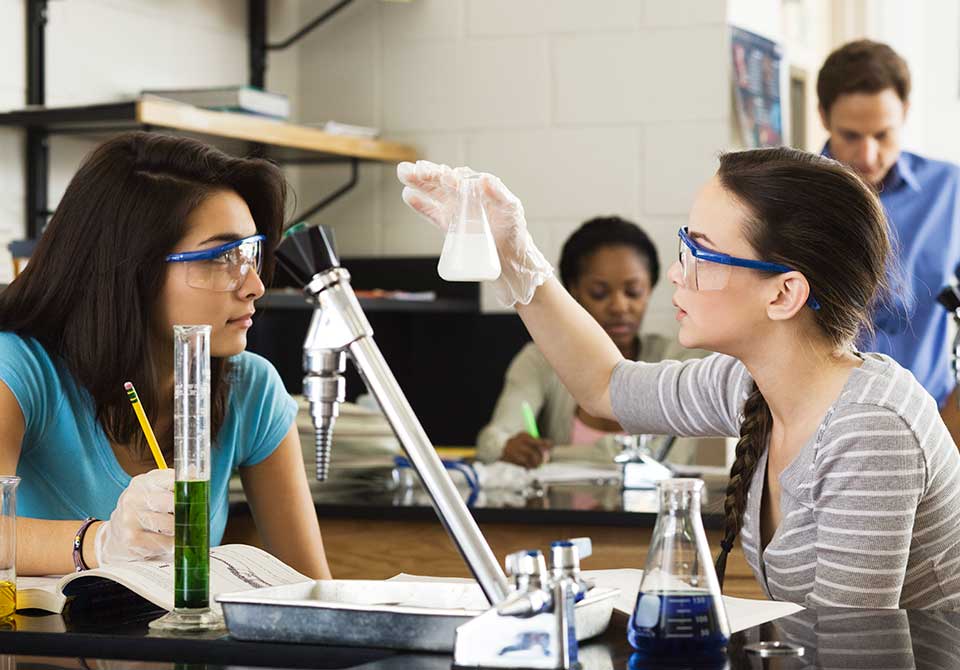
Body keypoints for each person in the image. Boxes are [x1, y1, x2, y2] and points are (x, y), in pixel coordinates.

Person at [398, 149, 960, 609]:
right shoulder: (749, 382)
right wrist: (513, 254)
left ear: (784, 293)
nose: (675, 272)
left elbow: (847, 656)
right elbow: (604, 385)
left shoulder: (871, 431)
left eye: (701, 253)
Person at [0, 132, 331, 578]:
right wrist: (101, 542)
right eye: (221, 257)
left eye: (250, 252)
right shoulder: (19, 368)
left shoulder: (251, 388)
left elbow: (308, 589)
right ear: (133, 268)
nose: (255, 285)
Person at [817, 40, 960, 444]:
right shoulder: (791, 199)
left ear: (905, 113)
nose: (868, 154)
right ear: (823, 116)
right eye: (851, 135)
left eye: (883, 133)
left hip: (933, 426)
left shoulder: (950, 190)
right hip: (824, 431)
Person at [476, 216, 702, 467]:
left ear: (650, 288)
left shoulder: (677, 358)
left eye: (633, 292)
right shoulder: (539, 359)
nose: (619, 306)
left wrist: (552, 455)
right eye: (599, 293)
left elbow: (665, 457)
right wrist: (507, 446)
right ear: (573, 291)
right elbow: (493, 440)